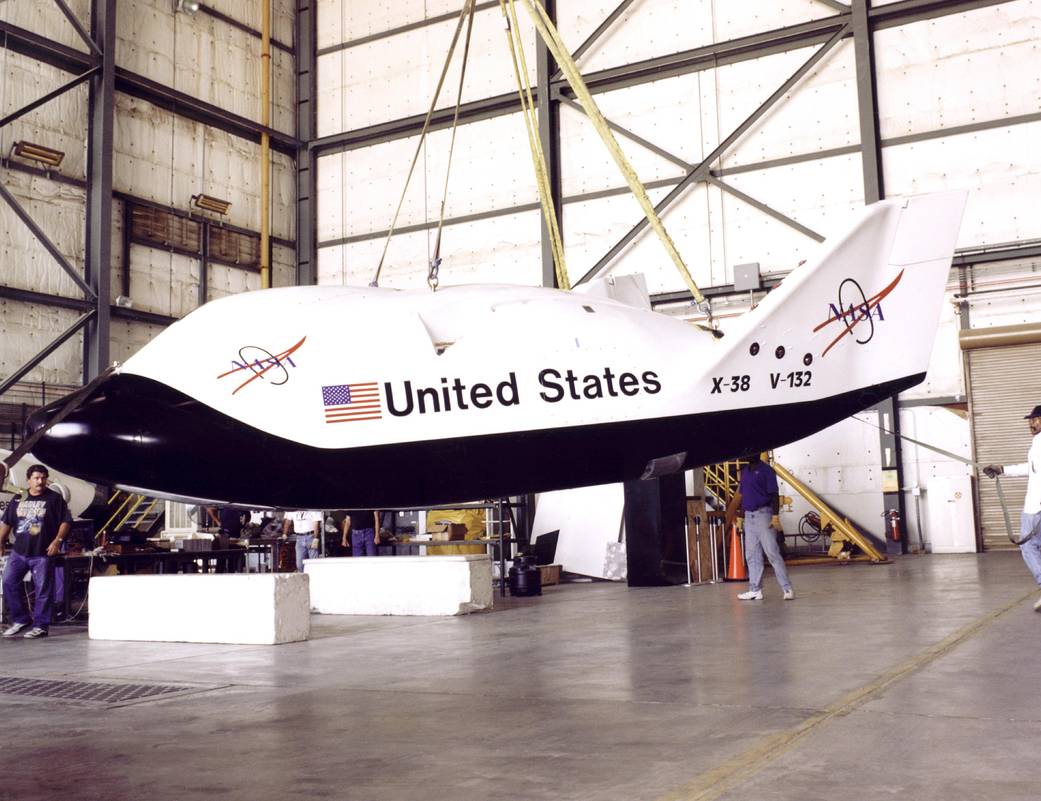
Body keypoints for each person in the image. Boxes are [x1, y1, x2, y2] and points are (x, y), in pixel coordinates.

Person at [0, 464, 72, 638]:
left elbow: (66, 521)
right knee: (8, 582)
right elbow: (7, 522)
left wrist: (57, 541)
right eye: (36, 478)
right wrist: (0, 542)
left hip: (42, 553)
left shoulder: (54, 499)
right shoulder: (19, 497)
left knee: (42, 591)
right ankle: (21, 619)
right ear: (28, 480)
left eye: (43, 478)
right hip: (19, 552)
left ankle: (40, 626)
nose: (40, 481)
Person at [985, 404, 1041, 610]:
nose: (1031, 423)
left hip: (1036, 507)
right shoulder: (1037, 443)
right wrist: (1003, 469)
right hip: (1035, 506)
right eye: (1030, 420)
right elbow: (1033, 469)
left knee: (1028, 546)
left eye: (1035, 419)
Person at [734, 454, 794, 601]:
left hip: (763, 515)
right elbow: (744, 496)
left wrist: (775, 516)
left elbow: (774, 495)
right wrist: (741, 517)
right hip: (749, 516)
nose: (746, 455)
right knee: (752, 555)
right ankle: (755, 590)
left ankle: (787, 588)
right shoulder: (745, 472)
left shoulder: (767, 471)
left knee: (772, 553)